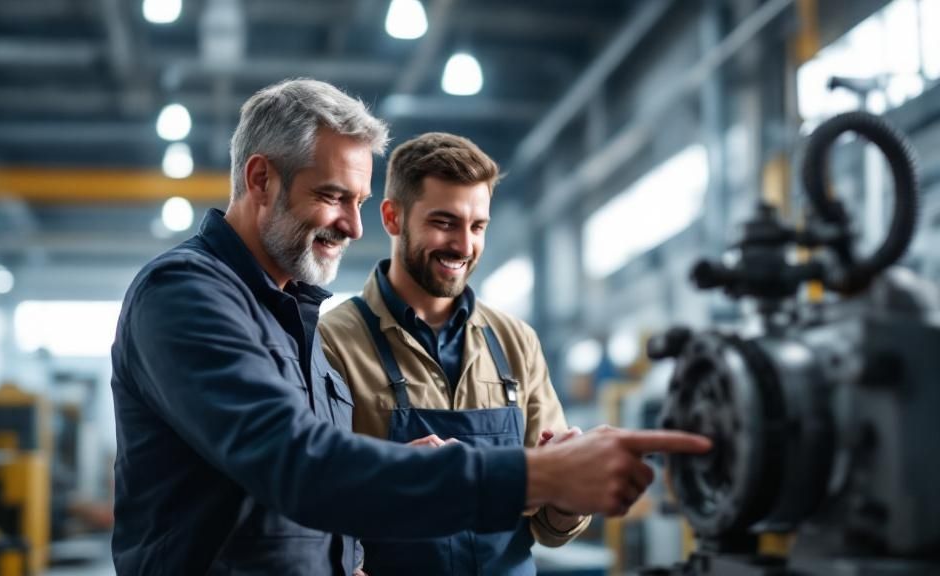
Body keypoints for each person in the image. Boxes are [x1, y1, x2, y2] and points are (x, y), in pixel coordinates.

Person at [109, 78, 711, 576]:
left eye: (359, 202)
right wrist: (542, 472)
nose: (351, 225)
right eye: (332, 196)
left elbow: (304, 514)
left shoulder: (291, 313)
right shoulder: (187, 295)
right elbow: (299, 466)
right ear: (261, 179)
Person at [319, 132, 588, 575]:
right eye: (444, 222)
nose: (464, 246)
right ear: (392, 217)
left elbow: (550, 527)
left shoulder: (515, 342)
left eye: (477, 226)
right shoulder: (333, 344)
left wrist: (569, 493)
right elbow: (313, 507)